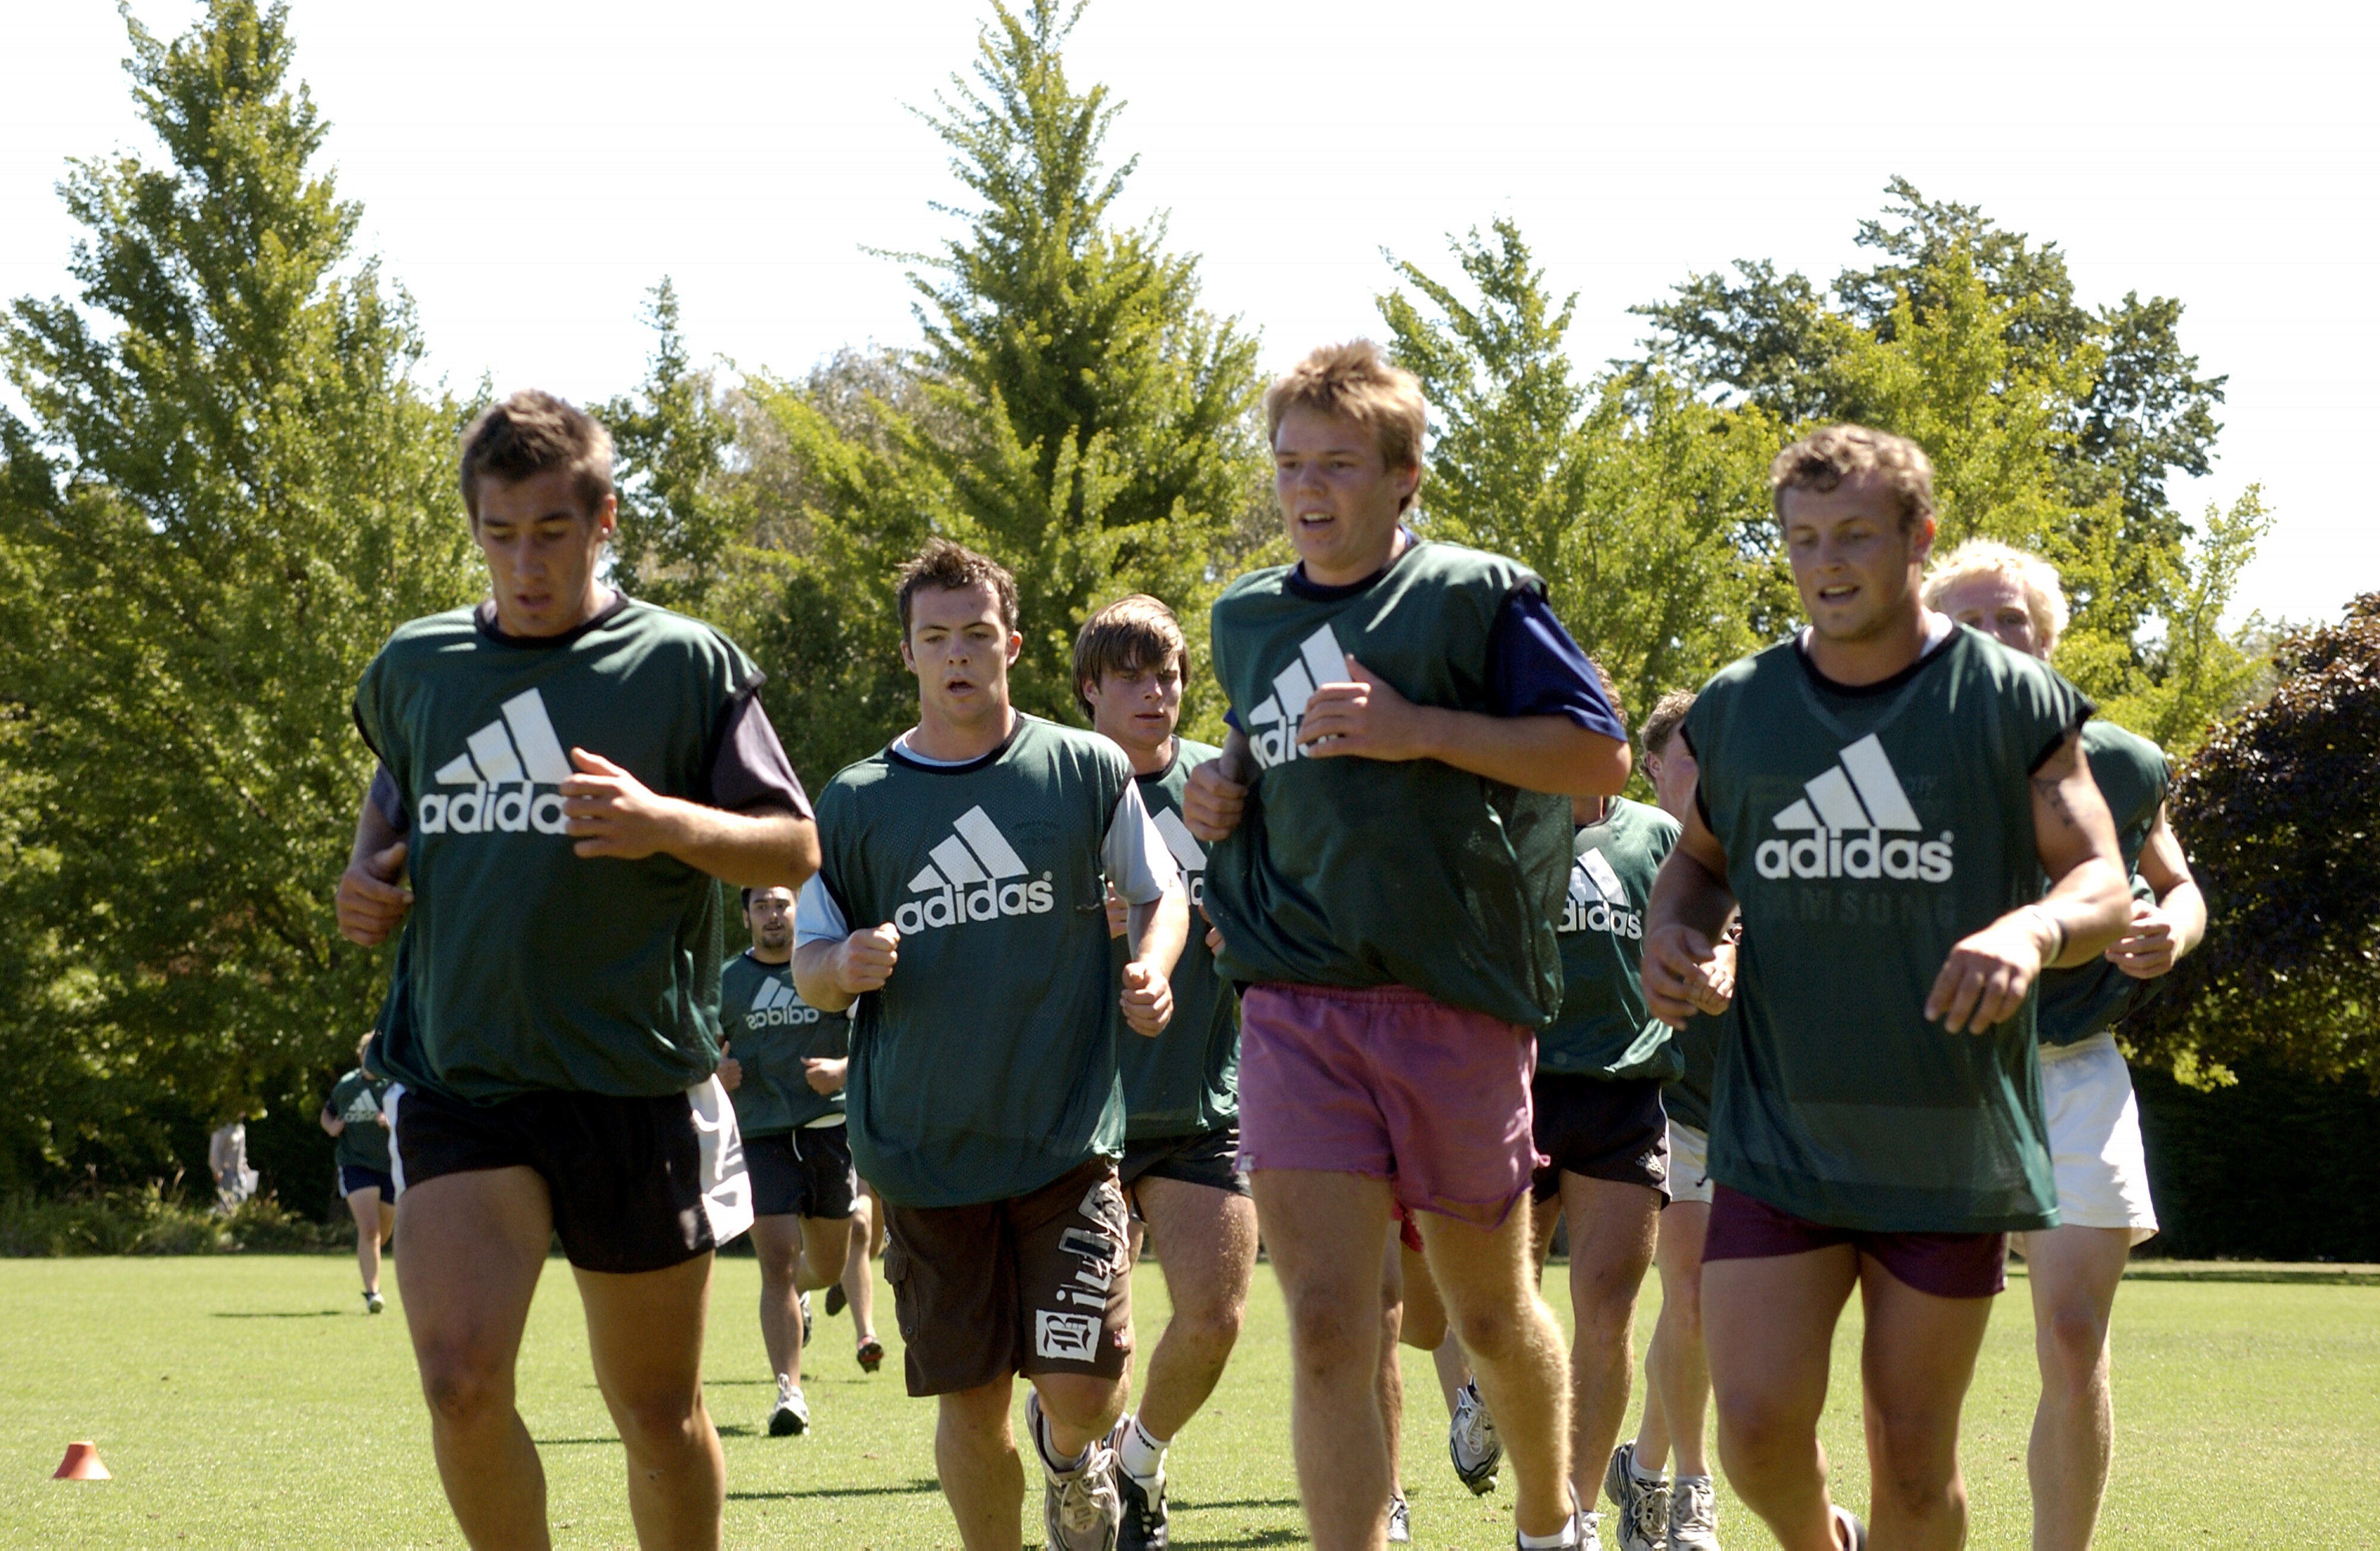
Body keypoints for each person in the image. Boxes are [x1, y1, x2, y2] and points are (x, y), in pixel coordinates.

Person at [335, 389, 818, 1550]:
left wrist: (664, 822)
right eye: (499, 535)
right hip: (459, 1074)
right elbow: (395, 795)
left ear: (602, 518)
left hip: (632, 1080)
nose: (524, 562)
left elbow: (792, 842)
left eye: (549, 532)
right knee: (458, 1379)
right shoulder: (421, 666)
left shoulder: (679, 665)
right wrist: (366, 879)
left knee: (656, 1412)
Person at [1640, 424, 2132, 1551]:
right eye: (1802, 538)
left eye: (1853, 535)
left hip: (1943, 1140)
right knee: (1754, 1433)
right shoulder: (1742, 705)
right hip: (1779, 1130)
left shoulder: (2006, 702)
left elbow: (2098, 880)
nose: (1826, 562)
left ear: (1915, 538)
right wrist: (1669, 936)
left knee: (1913, 1458)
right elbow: (1698, 867)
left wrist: (2031, 926)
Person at [1185, 340, 1633, 1551]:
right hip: (1293, 996)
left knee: (1487, 1315)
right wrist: (1218, 790)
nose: (1306, 487)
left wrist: (1417, 729)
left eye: (1336, 463)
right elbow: (1261, 752)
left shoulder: (1473, 596)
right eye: (1287, 464)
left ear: (1403, 477)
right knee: (1330, 1319)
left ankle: (1551, 1522)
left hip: (1455, 1000)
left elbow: (1599, 757)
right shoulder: (1243, 615)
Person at [792, 540, 1188, 1551]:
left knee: (1085, 1395)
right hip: (923, 1157)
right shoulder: (855, 799)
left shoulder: (1081, 768)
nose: (957, 655)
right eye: (936, 639)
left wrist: (1151, 966)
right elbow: (805, 960)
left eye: (976, 634)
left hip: (1062, 1143)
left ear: (1009, 644)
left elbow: (1158, 888)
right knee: (966, 1407)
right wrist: (844, 964)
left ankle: (1072, 1456)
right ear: (909, 655)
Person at [1924, 539, 2206, 1551]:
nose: (1993, 638)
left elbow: (2173, 883)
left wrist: (2170, 930)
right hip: (1930, 1077)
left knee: (2073, 1337)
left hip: (2072, 1073)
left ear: (2047, 642)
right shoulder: (1880, 759)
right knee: (1917, 1355)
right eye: (1968, 619)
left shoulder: (2123, 763)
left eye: (2013, 621)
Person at [1437, 668, 1681, 1551]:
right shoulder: (1492, 830)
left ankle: (1567, 1514)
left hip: (1624, 1093)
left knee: (1607, 1305)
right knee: (1500, 1305)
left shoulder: (1654, 834)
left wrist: (1711, 957)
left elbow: (1700, 919)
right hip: (1516, 1087)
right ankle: (1484, 1395)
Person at [1072, 595, 1259, 1551]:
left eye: (1170, 675)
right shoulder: (1057, 784)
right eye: (1134, 677)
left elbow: (1273, 904)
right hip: (1080, 1111)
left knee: (1217, 1315)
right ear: (1089, 690)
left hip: (1202, 1097)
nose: (1157, 693)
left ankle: (1136, 1463)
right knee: (1093, 1351)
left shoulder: (1216, 788)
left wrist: (1243, 935)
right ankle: (1082, 1453)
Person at [1609, 689, 1732, 1551]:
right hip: (1668, 1106)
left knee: (1703, 1312)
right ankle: (1691, 1488)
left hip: (1757, 1108)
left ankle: (1642, 1464)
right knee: (1687, 1297)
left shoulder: (1756, 842)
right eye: (1691, 756)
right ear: (1654, 764)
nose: (1709, 774)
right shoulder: (1624, 848)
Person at [715, 883, 871, 1441]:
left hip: (829, 1130)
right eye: (762, 906)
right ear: (747, 917)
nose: (774, 915)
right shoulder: (729, 981)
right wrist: (715, 1072)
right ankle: (790, 1392)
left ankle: (806, 1292)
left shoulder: (829, 966)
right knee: (777, 1261)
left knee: (825, 1266)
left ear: (797, 911)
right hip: (761, 1136)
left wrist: (842, 1068)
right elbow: (701, 1047)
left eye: (782, 904)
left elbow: (880, 1040)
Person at [321, 1033, 397, 1314]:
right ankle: (373, 1293)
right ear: (362, 1055)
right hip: (356, 1164)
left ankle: (370, 1261)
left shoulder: (393, 1086)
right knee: (370, 1230)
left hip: (390, 1167)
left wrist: (391, 1123)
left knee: (382, 1235)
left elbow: (411, 1122)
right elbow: (327, 1114)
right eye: (369, 1052)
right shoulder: (347, 1086)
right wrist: (331, 1127)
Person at [209, 1113, 258, 1213]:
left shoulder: (240, 1128)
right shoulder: (223, 1128)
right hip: (226, 1172)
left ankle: (238, 1225)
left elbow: (241, 1150)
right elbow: (215, 1151)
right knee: (227, 1206)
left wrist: (244, 1165)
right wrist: (217, 1170)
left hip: (239, 1172)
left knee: (241, 1202)